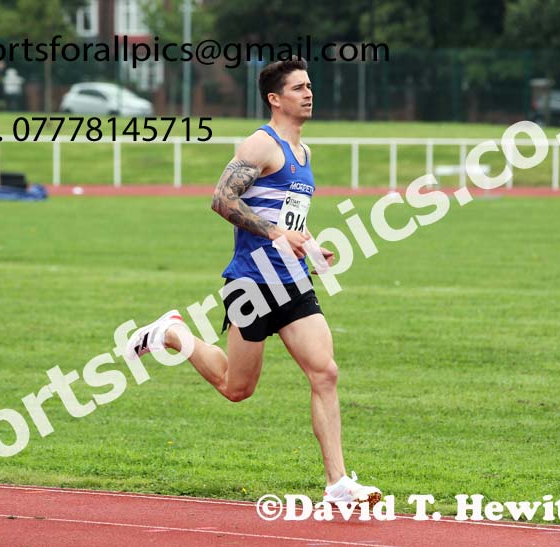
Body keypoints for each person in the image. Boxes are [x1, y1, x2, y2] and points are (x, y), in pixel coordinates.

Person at [126, 58, 381, 506]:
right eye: (298, 88)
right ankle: (171, 333)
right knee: (236, 388)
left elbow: (289, 218)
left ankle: (338, 483)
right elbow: (221, 199)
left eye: (309, 86)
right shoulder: (261, 144)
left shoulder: (304, 154)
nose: (309, 93)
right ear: (275, 99)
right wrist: (277, 234)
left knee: (325, 372)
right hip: (252, 283)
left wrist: (311, 248)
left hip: (293, 281)